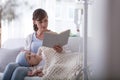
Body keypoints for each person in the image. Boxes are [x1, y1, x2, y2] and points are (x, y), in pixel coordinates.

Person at [2, 8, 63, 80]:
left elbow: (58, 55)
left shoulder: (53, 35)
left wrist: (60, 50)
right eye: (40, 22)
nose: (44, 24)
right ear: (34, 22)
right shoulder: (30, 37)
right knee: (10, 66)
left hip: (37, 65)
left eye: (45, 20)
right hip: (27, 62)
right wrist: (24, 52)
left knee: (19, 71)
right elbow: (26, 53)